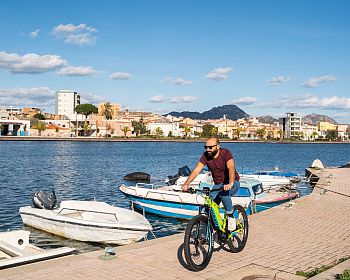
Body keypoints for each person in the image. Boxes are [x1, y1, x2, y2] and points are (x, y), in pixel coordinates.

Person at [181, 137, 240, 230]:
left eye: (210, 147)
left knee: (224, 194)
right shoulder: (205, 156)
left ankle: (231, 216)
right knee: (209, 207)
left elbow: (231, 168)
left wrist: (231, 183)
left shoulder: (225, 153)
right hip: (218, 185)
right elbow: (197, 170)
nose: (208, 149)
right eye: (206, 147)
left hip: (232, 182)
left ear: (218, 146)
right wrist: (186, 183)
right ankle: (216, 234)